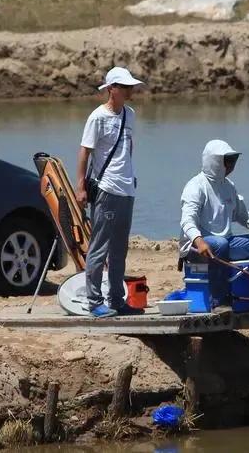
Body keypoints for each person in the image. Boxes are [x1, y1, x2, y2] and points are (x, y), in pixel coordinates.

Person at [179, 139, 249, 310]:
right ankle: (220, 301)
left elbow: (242, 214)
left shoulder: (228, 186)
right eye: (227, 161)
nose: (231, 166)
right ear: (215, 162)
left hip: (225, 243)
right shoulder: (195, 186)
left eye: (233, 161)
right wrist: (199, 241)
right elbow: (187, 221)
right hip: (197, 247)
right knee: (220, 244)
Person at [76, 66, 144, 318]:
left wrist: (130, 175)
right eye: (125, 87)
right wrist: (80, 186)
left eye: (130, 86)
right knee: (99, 246)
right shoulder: (97, 117)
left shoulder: (130, 115)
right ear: (112, 89)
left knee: (120, 247)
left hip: (127, 188)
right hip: (106, 188)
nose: (130, 90)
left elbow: (129, 147)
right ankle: (93, 301)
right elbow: (85, 151)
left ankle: (116, 299)